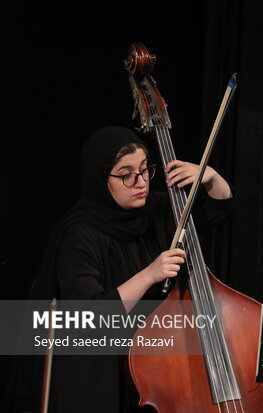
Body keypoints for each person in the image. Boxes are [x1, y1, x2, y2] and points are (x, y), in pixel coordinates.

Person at [10, 126, 232, 413]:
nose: (140, 182)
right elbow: (87, 318)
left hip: (146, 361)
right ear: (102, 179)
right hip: (94, 367)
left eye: (144, 170)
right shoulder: (79, 234)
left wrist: (210, 175)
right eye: (126, 175)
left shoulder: (153, 210)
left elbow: (218, 210)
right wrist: (149, 274)